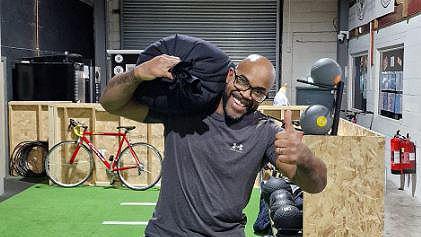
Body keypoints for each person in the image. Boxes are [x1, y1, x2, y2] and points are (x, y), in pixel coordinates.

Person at [100, 53, 327, 237]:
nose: (245, 94)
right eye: (242, 81)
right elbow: (110, 103)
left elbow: (317, 184)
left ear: (264, 96)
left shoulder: (265, 131)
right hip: (165, 233)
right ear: (230, 75)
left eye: (257, 92)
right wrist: (137, 74)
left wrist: (305, 157)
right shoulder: (184, 109)